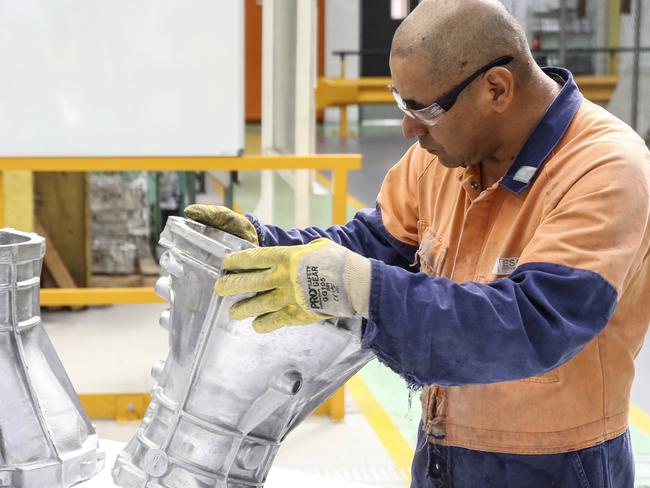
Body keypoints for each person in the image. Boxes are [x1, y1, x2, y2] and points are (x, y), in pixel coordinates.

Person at [185, 0, 650, 485]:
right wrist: (262, 242)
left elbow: (535, 323)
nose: (409, 128)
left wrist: (359, 286)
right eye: (400, 103)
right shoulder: (442, 155)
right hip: (443, 448)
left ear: (497, 88)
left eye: (425, 109)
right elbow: (371, 244)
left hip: (554, 464)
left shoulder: (604, 168)